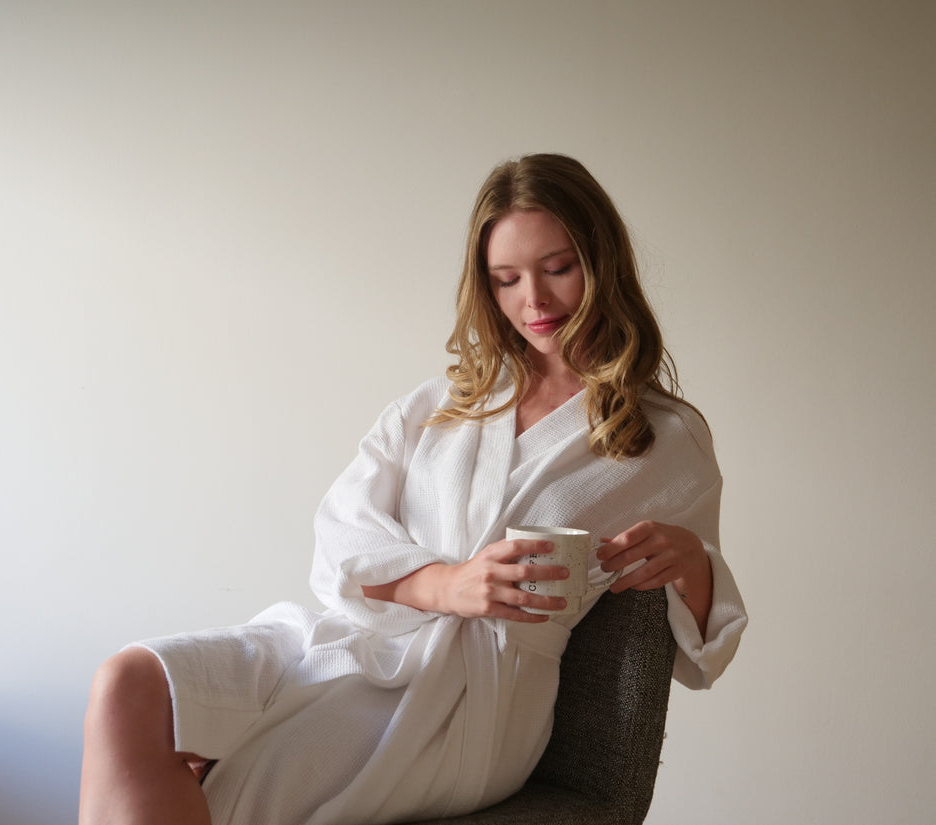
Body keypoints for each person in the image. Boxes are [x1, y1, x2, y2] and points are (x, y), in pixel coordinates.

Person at [78, 153, 747, 825]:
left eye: (558, 268)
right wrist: (447, 584)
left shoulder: (662, 437)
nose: (533, 302)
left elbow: (701, 654)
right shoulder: (443, 404)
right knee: (127, 685)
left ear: (601, 261)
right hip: (359, 643)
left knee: (236, 783)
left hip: (467, 701)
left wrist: (693, 565)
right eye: (506, 279)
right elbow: (342, 538)